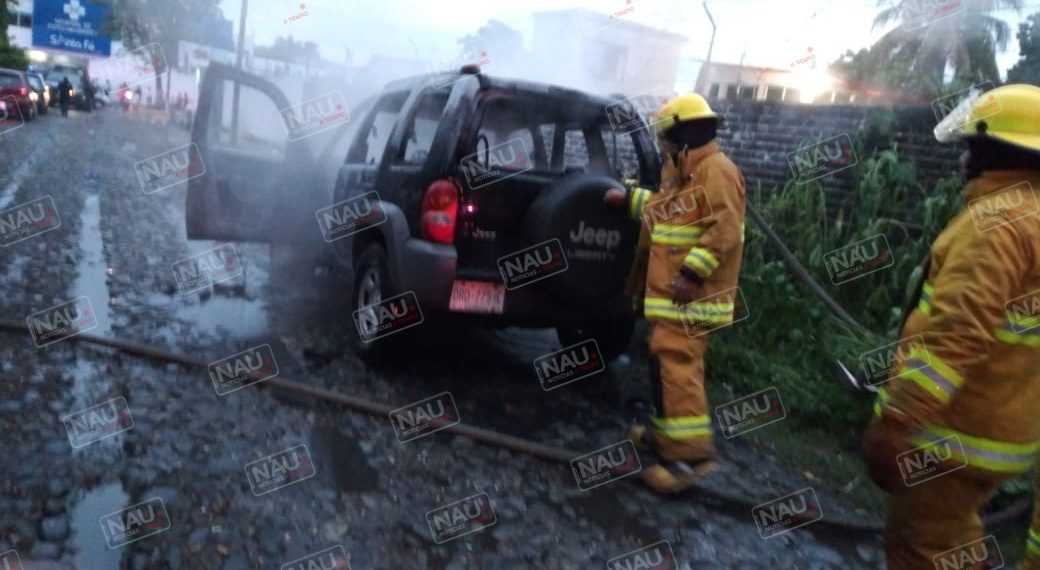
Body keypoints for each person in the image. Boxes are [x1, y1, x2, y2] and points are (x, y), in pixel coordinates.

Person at [861, 84, 1040, 569]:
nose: (962, 156)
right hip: (1000, 436)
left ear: (993, 147)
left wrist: (898, 422)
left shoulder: (997, 225)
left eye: (969, 145)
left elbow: (957, 335)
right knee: (956, 536)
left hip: (950, 438)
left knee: (921, 545)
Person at [603, 92, 746, 493]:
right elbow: (664, 211)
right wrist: (626, 199)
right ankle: (668, 438)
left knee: (677, 366)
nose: (663, 144)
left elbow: (725, 230)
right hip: (676, 298)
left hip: (693, 298)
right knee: (664, 364)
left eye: (667, 137)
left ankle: (689, 459)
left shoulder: (717, 171)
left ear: (683, 134)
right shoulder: (686, 172)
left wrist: (691, 274)